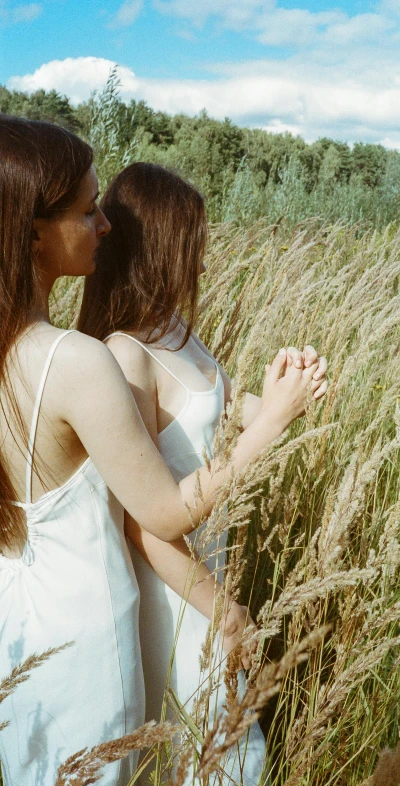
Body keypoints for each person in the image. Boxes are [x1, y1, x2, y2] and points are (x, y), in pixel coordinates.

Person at [0, 119, 322, 786]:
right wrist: (271, 423)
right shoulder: (80, 360)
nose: (105, 224)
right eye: (88, 210)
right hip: (89, 621)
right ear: (32, 231)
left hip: (20, 617)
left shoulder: (20, 353)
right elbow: (162, 515)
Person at [78, 162, 328, 784]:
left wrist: (284, 393)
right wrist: (224, 611)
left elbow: (216, 418)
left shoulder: (176, 332)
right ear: (159, 247)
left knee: (226, 753)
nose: (204, 261)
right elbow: (144, 522)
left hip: (212, 567)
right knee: (208, 753)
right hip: (179, 592)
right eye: (194, 244)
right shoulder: (124, 354)